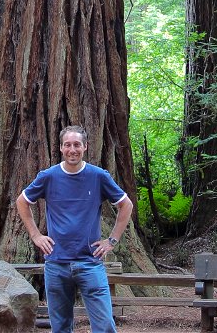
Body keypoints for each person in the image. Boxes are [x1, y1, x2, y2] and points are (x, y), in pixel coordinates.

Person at [16, 125, 134, 333]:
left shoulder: (98, 176)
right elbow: (22, 202)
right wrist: (36, 235)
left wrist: (111, 240)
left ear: (85, 147)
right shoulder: (48, 176)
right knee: (60, 327)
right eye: (68, 145)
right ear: (61, 148)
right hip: (56, 264)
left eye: (77, 145)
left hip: (90, 263)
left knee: (105, 325)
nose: (73, 149)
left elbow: (126, 205)